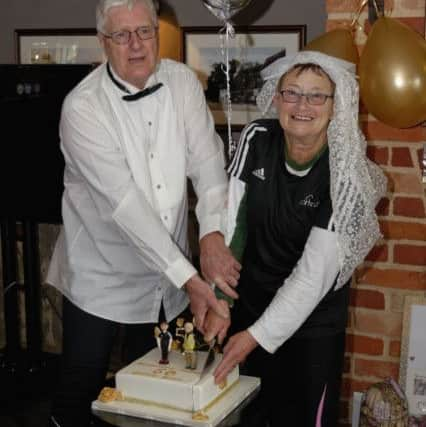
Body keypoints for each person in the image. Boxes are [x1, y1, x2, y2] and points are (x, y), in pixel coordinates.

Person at [46, 1, 241, 425]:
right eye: (122, 35)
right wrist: (191, 278)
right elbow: (126, 207)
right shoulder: (82, 108)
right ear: (103, 44)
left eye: (145, 32)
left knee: (150, 389)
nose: (135, 45)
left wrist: (211, 234)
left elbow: (208, 163)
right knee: (81, 388)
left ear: (158, 33)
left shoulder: (183, 83)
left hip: (165, 278)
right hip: (101, 275)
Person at [205, 50, 387, 426]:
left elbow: (312, 275)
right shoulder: (257, 137)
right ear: (276, 97)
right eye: (292, 93)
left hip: (312, 331)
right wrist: (221, 300)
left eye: (317, 95)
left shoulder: (348, 176)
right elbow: (233, 226)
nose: (303, 105)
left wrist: (254, 337)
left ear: (337, 107)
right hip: (248, 309)